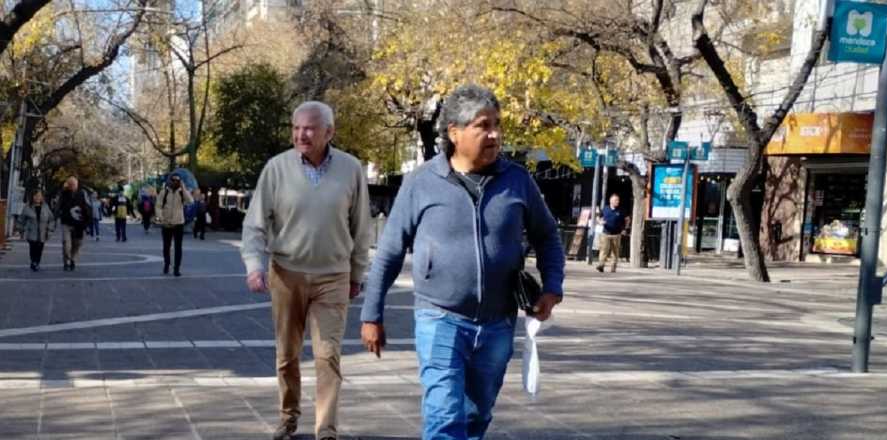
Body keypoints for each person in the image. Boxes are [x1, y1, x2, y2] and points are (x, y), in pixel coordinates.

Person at [360, 85, 565, 440]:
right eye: (483, 125)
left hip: (498, 322)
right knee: (443, 415)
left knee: (477, 413)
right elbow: (391, 251)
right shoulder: (421, 182)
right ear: (454, 132)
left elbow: (547, 236)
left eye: (497, 124)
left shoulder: (517, 181)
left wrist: (552, 287)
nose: (495, 134)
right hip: (439, 317)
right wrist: (371, 314)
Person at [240, 101, 372, 440]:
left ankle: (326, 429)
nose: (301, 134)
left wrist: (357, 274)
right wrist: (254, 266)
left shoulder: (351, 168)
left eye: (310, 128)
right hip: (286, 274)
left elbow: (360, 227)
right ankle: (288, 416)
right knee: (287, 355)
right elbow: (255, 223)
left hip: (333, 276)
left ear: (329, 132)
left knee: (328, 356)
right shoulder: (276, 168)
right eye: (296, 128)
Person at [155, 175, 194, 276]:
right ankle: (167, 264)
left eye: (178, 181)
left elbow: (190, 201)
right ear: (169, 181)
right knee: (166, 246)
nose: (175, 182)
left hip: (178, 223)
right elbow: (158, 206)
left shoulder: (181, 192)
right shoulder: (164, 192)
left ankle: (177, 268)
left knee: (178, 247)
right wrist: (161, 218)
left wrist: (183, 187)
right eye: (173, 180)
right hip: (166, 223)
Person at [16, 189, 57, 271]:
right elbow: (21, 219)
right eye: (36, 196)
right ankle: (33, 261)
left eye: (39, 196)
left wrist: (50, 230)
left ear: (42, 197)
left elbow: (51, 219)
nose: (38, 197)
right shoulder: (27, 207)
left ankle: (37, 262)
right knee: (33, 248)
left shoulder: (46, 207)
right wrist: (21, 230)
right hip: (31, 232)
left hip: (42, 232)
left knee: (40, 248)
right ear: (32, 197)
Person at [56, 177, 91, 271]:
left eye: (74, 184)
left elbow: (88, 207)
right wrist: (55, 217)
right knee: (66, 243)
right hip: (66, 222)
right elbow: (58, 206)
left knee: (77, 243)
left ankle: (73, 259)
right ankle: (66, 262)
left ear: (77, 184)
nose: (72, 186)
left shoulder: (83, 193)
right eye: (70, 184)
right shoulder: (63, 193)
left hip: (79, 224)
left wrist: (87, 223)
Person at [596, 193, 630, 273]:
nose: (617, 202)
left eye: (618, 200)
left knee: (615, 252)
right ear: (611, 201)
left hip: (616, 234)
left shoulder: (621, 210)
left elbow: (627, 219)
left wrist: (625, 228)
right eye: (615, 200)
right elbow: (598, 217)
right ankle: (601, 265)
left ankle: (613, 267)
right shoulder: (605, 209)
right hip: (605, 233)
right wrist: (600, 222)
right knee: (604, 250)